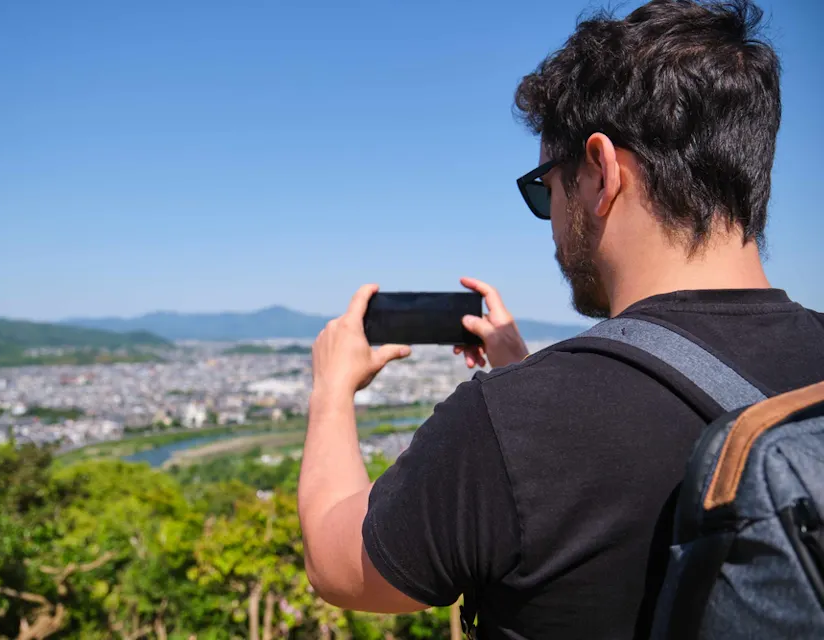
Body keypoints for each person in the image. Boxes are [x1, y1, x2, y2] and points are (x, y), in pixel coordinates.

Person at [297, 0, 824, 638]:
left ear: (600, 173)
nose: (549, 222)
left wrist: (330, 389)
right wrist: (530, 371)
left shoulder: (508, 425)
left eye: (544, 188)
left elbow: (338, 563)